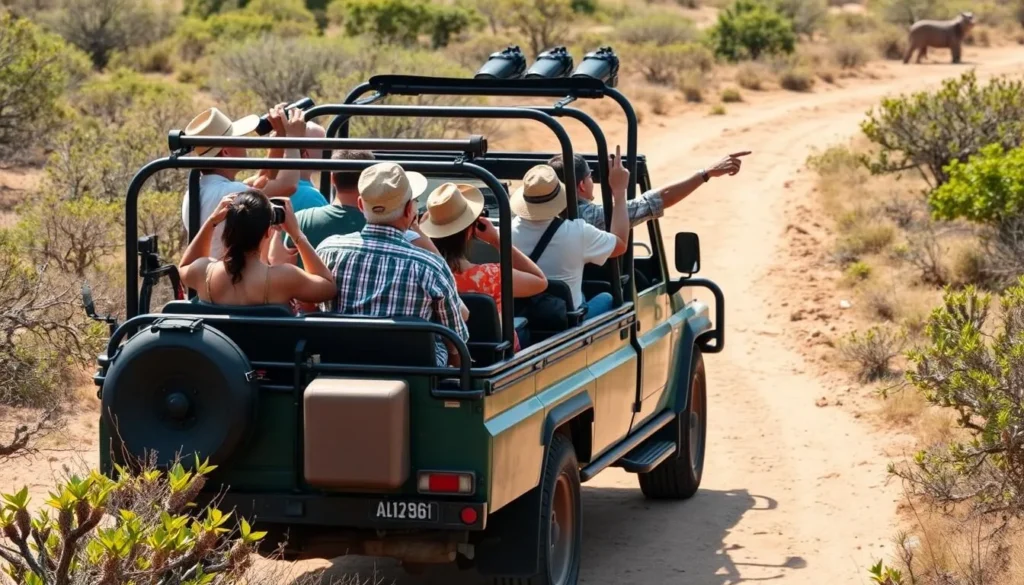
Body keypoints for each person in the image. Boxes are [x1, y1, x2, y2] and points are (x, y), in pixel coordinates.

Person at [315, 162, 470, 366]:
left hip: (339, 369)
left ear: (361, 205)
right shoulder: (429, 266)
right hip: (417, 380)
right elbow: (455, 341)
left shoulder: (327, 251)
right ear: (409, 210)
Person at [419, 182, 548, 352]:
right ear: (470, 231)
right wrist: (497, 240)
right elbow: (540, 281)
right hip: (496, 357)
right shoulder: (491, 276)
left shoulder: (420, 275)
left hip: (444, 355)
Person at [509, 148, 630, 320]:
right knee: (607, 298)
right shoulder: (578, 232)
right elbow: (621, 245)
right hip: (565, 319)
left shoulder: (508, 231)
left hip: (526, 317)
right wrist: (619, 193)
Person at [181, 104, 305, 259]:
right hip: (230, 279)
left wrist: (280, 137)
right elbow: (288, 185)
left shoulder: (200, 189)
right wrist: (294, 139)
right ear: (226, 152)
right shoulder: (228, 191)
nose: (244, 140)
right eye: (237, 137)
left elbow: (263, 180)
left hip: (216, 277)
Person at [177, 190, 336, 309]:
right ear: (268, 231)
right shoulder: (284, 277)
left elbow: (184, 267)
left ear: (228, 227)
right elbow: (329, 287)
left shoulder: (204, 272)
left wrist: (212, 221)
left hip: (217, 354)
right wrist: (297, 234)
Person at [547, 150, 751, 229]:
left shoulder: (525, 217)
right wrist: (706, 173)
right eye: (590, 176)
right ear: (582, 185)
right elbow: (658, 200)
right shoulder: (589, 217)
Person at [248, 120, 329, 213]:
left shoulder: (267, 184)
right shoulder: (311, 197)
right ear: (305, 154)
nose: (329, 150)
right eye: (324, 145)